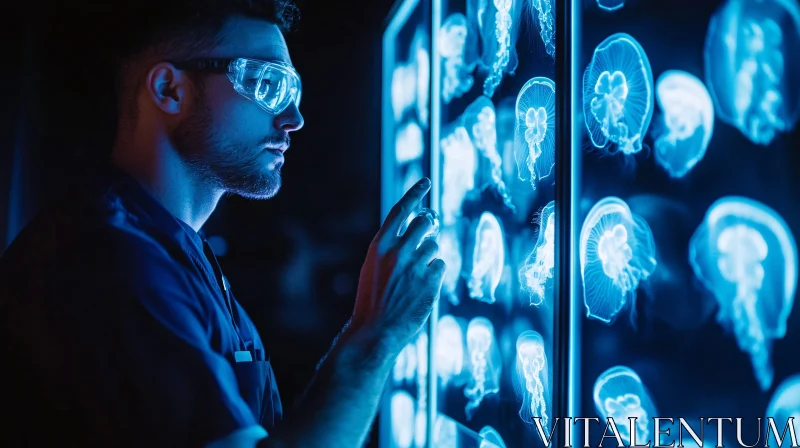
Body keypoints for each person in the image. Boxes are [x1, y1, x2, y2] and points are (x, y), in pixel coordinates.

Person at [0, 1, 446, 447]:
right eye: (266, 83)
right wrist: (375, 337)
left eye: (293, 89)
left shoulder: (177, 251)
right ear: (169, 89)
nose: (293, 119)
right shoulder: (110, 259)